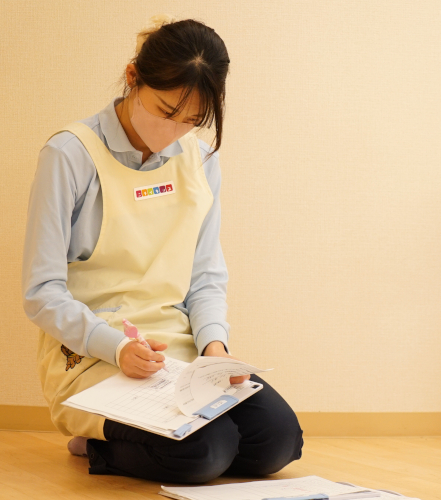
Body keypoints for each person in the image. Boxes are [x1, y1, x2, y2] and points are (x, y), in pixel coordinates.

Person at [22, 16, 303, 482]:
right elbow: (42, 292)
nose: (173, 133)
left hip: (178, 350)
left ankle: (153, 441)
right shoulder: (69, 155)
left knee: (278, 442)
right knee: (205, 452)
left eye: (191, 121)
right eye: (166, 111)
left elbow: (205, 275)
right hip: (94, 350)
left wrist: (215, 348)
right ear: (133, 77)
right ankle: (96, 446)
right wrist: (118, 348)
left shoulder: (201, 160)